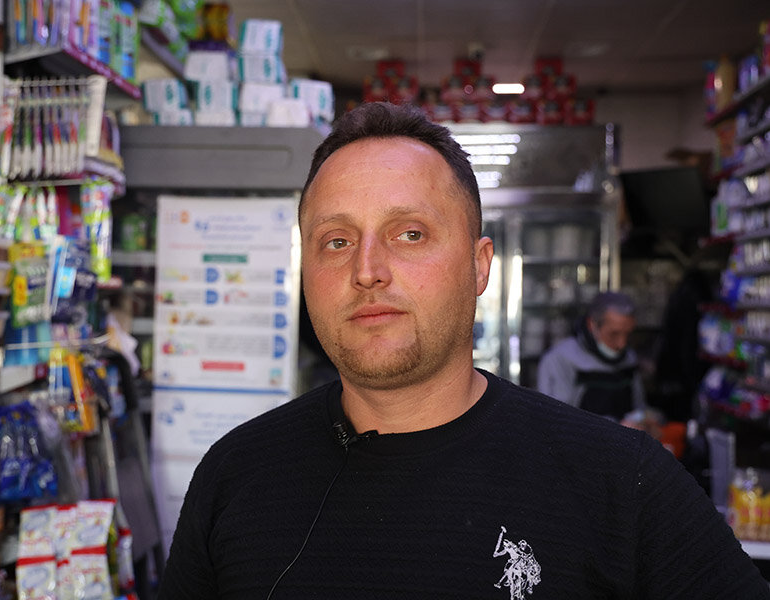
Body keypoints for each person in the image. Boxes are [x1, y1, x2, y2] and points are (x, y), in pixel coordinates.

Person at [158, 102, 769, 599]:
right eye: (337, 240)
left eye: (411, 234)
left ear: (479, 267)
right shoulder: (233, 475)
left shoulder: (622, 482)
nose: (368, 270)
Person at [537, 291, 647, 422]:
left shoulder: (629, 358)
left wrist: (647, 420)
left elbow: (639, 408)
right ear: (592, 324)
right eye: (614, 334)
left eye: (628, 335)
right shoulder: (559, 359)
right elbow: (555, 421)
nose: (622, 344)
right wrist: (617, 428)